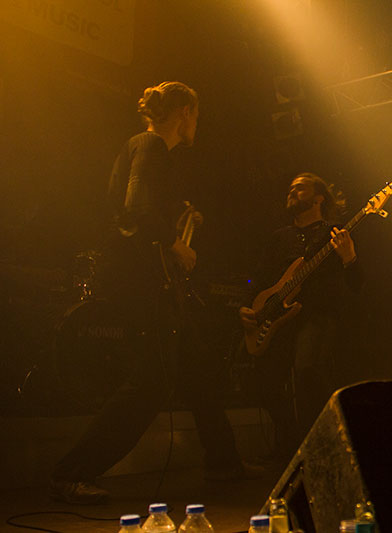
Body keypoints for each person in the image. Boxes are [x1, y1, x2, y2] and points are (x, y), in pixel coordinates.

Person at [50, 81, 259, 505]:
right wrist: (177, 243)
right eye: (196, 115)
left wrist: (180, 217)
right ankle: (71, 473)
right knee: (151, 382)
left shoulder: (144, 149)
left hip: (150, 282)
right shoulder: (150, 146)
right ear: (185, 112)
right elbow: (137, 209)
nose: (197, 123)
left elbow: (141, 209)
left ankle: (224, 462)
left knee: (200, 370)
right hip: (145, 285)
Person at [239, 173, 364, 457]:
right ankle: (292, 444)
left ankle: (331, 443)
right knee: (263, 383)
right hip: (277, 319)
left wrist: (350, 258)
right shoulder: (279, 238)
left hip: (317, 316)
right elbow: (259, 278)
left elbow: (358, 285)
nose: (292, 192)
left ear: (319, 198)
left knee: (308, 371)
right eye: (290, 189)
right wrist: (246, 305)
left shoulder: (336, 233)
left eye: (300, 188)